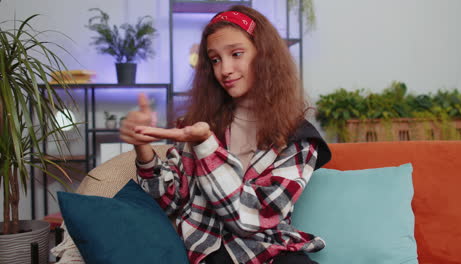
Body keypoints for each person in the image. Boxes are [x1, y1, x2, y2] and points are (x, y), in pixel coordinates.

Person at [120, 5, 331, 264]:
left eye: (236, 54)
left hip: (271, 254)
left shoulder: (300, 138)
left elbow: (252, 217)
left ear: (264, 55)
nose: (224, 70)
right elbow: (167, 202)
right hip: (211, 255)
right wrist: (143, 148)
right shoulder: (198, 126)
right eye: (215, 59)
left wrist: (206, 147)